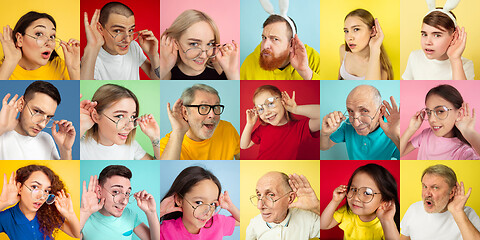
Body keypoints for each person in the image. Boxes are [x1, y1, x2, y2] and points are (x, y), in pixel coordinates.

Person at [80, 83, 160, 160]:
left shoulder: (132, 145)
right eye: (120, 116)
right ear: (95, 116)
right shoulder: (79, 145)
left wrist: (154, 137)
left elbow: (158, 165)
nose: (131, 126)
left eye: (132, 116)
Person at [81, 2, 160, 80]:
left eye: (131, 30)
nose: (128, 40)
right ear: (100, 29)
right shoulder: (91, 59)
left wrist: (153, 55)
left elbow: (157, 79)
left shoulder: (133, 46)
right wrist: (92, 47)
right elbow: (83, 88)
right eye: (117, 31)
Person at [160, 83, 240, 160]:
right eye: (203, 107)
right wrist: (178, 132)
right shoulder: (168, 144)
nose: (212, 115)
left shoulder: (228, 129)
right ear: (185, 112)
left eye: (216, 107)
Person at [0, 164, 81, 239]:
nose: (41, 196)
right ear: (20, 187)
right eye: (35, 187)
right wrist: (3, 203)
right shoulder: (7, 217)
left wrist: (70, 214)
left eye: (46, 191)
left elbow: (77, 234)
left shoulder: (48, 214)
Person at [321, 163, 400, 240]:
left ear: (384, 200)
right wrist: (335, 201)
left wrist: (387, 220)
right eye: (353, 189)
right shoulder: (346, 212)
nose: (356, 197)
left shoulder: (385, 224)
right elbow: (323, 225)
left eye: (367, 193)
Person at [400, 84, 480, 160]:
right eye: (429, 112)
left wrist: (468, 132)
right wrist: (411, 129)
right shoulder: (425, 135)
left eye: (440, 111)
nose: (431, 119)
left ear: (459, 113)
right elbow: (399, 153)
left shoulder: (463, 152)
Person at [400, 164, 480, 239]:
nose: (427, 194)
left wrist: (457, 212)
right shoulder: (413, 209)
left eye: (435, 188)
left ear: (451, 192)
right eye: (425, 186)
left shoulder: (467, 214)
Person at [320, 84, 400, 160]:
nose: (355, 124)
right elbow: (324, 146)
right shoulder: (348, 125)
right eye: (350, 111)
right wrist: (325, 133)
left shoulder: (392, 132)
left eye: (364, 111)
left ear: (381, 110)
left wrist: (397, 138)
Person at [0, 81, 75, 160]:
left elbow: (60, 171)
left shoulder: (46, 139)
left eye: (49, 116)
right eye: (37, 112)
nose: (43, 125)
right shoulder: (2, 135)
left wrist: (65, 150)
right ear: (21, 104)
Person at [80, 165, 160, 240]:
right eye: (116, 191)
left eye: (127, 193)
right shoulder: (84, 219)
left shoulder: (130, 215)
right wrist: (84, 212)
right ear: (99, 191)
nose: (124, 201)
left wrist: (151, 212)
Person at [240, 85, 320, 159]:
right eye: (260, 109)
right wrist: (249, 124)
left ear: (282, 101)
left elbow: (322, 114)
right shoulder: (262, 128)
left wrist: (295, 109)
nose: (267, 112)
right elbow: (243, 145)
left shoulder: (299, 127)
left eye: (270, 103)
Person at [159, 166, 240, 239]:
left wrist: (230, 206)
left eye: (212, 204)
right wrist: (160, 212)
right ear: (179, 200)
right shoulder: (165, 230)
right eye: (199, 202)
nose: (207, 212)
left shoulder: (217, 222)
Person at [402, 0, 474, 80]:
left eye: (437, 35)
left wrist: (455, 60)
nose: (427, 42)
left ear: (454, 36)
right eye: (424, 34)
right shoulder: (414, 57)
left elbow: (461, 91)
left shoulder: (465, 65)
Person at [160, 9, 239, 80]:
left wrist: (232, 72)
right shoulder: (167, 74)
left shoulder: (219, 69)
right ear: (176, 43)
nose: (204, 56)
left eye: (210, 44)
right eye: (194, 44)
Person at [0, 11, 79, 80]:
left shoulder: (61, 67)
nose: (50, 43)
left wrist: (74, 70)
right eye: (39, 34)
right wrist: (10, 62)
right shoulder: (4, 67)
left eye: (52, 36)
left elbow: (78, 96)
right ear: (20, 39)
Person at [240, 14, 321, 80]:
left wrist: (305, 72)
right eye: (264, 38)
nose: (265, 45)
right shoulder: (250, 62)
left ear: (291, 44)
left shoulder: (312, 58)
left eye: (275, 39)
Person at [246, 172, 320, 239]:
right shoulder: (254, 224)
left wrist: (317, 207)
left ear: (290, 198)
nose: (259, 206)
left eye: (271, 195)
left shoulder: (308, 219)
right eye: (259, 195)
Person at [339, 9, 393, 80]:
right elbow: (339, 80)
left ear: (372, 31)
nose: (349, 37)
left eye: (356, 29)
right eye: (346, 31)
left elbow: (371, 88)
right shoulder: (343, 50)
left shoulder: (382, 70)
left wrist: (375, 49)